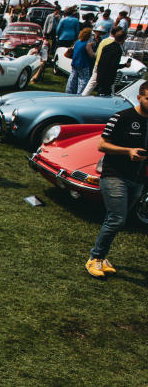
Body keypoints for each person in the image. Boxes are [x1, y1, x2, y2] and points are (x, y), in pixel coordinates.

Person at [85, 81, 148, 277]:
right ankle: (94, 258)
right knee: (117, 219)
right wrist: (128, 151)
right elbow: (102, 145)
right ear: (139, 98)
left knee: (117, 220)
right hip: (114, 175)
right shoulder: (122, 117)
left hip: (137, 179)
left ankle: (102, 257)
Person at [95, 27, 126, 96]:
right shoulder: (118, 50)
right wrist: (124, 65)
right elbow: (114, 65)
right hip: (108, 76)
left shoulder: (107, 46)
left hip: (100, 73)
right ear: (123, 39)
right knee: (105, 94)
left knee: (100, 92)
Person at [66, 27, 95, 94]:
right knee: (83, 80)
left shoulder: (77, 42)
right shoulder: (87, 45)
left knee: (72, 78)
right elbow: (92, 55)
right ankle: (80, 93)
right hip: (83, 64)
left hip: (75, 63)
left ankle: (69, 91)